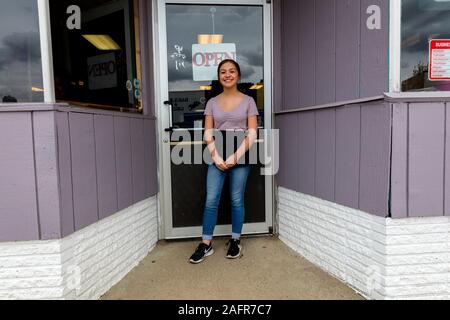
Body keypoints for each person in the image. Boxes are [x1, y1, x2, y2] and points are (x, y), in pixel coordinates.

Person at [189, 59, 259, 264]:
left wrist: (234, 157)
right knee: (211, 200)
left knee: (236, 199)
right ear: (219, 76)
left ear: (238, 75)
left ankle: (235, 240)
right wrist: (216, 156)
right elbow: (208, 132)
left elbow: (252, 133)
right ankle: (206, 244)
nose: (227, 75)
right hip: (216, 155)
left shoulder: (248, 101)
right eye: (223, 72)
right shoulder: (211, 102)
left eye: (231, 71)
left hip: (241, 154)